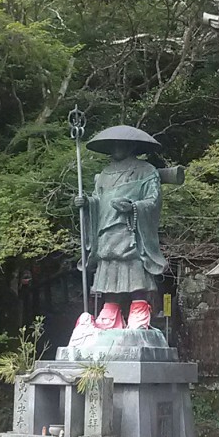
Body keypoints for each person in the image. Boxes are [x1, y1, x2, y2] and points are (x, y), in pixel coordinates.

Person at [73, 125, 166, 331]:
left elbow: (153, 201)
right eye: (113, 144)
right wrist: (87, 203)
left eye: (121, 144)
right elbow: (98, 199)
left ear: (131, 146)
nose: (116, 148)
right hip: (105, 229)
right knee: (108, 266)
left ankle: (139, 309)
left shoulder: (146, 171)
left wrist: (133, 207)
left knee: (134, 267)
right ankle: (110, 310)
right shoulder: (104, 174)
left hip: (131, 229)